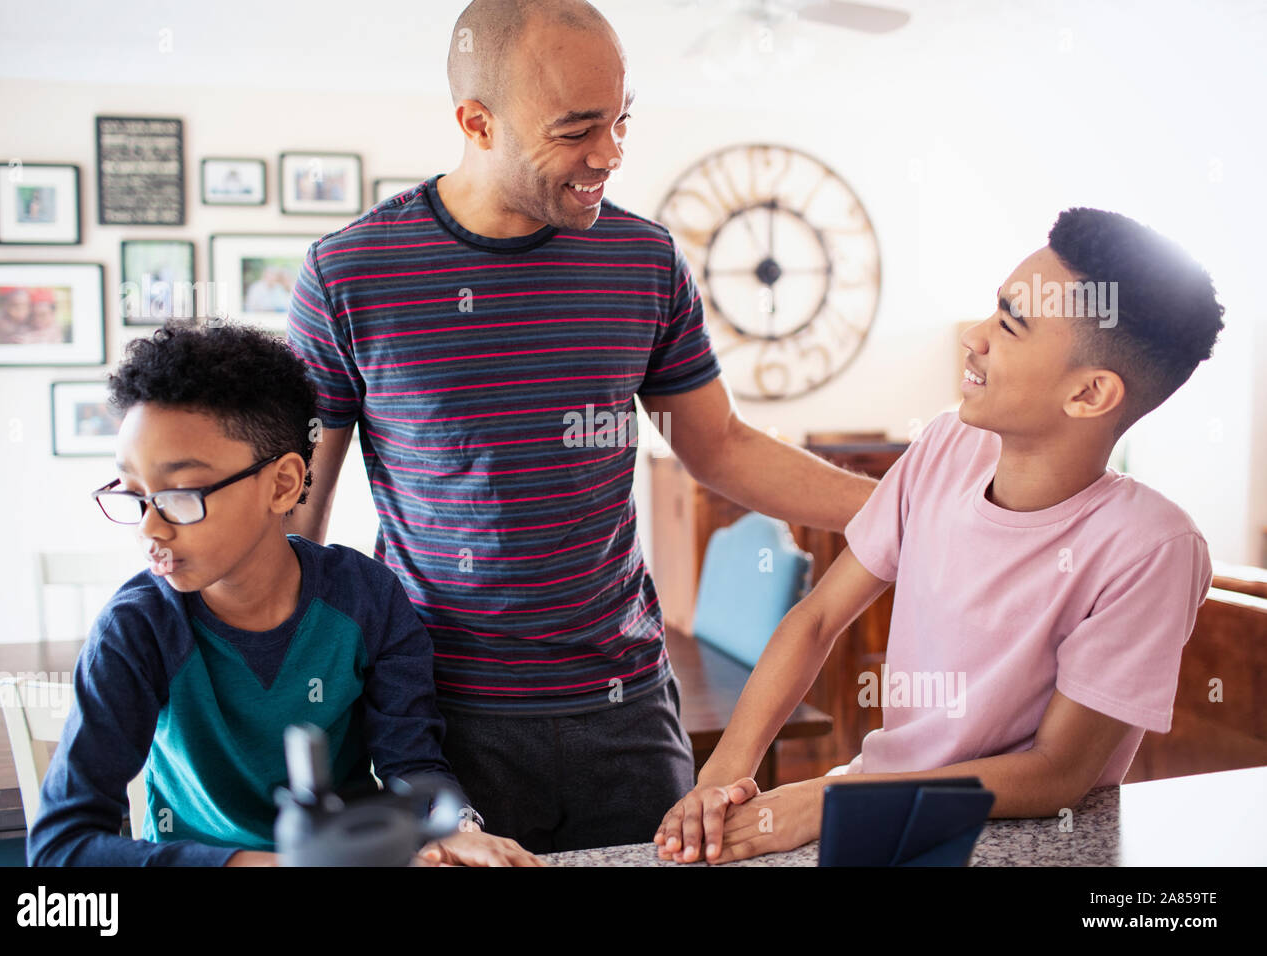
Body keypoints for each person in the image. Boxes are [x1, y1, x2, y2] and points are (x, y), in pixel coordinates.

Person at [284, 0, 877, 853]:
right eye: (577, 130)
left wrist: (903, 507)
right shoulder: (350, 274)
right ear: (476, 122)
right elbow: (299, 514)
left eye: (623, 119)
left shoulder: (645, 261)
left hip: (625, 709)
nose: (611, 155)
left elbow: (720, 447)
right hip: (437, 718)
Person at [655, 207, 1225, 863]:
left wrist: (835, 803)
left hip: (1016, 836)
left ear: (1091, 393)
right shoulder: (948, 445)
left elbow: (1058, 773)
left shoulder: (1154, 548)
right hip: (877, 800)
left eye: (1010, 326)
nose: (976, 338)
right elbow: (816, 620)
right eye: (994, 310)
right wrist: (722, 776)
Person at [27, 321, 541, 866]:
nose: (149, 529)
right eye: (135, 495)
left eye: (179, 495)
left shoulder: (366, 597)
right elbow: (62, 845)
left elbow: (410, 760)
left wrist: (451, 826)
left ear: (283, 484)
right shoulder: (137, 628)